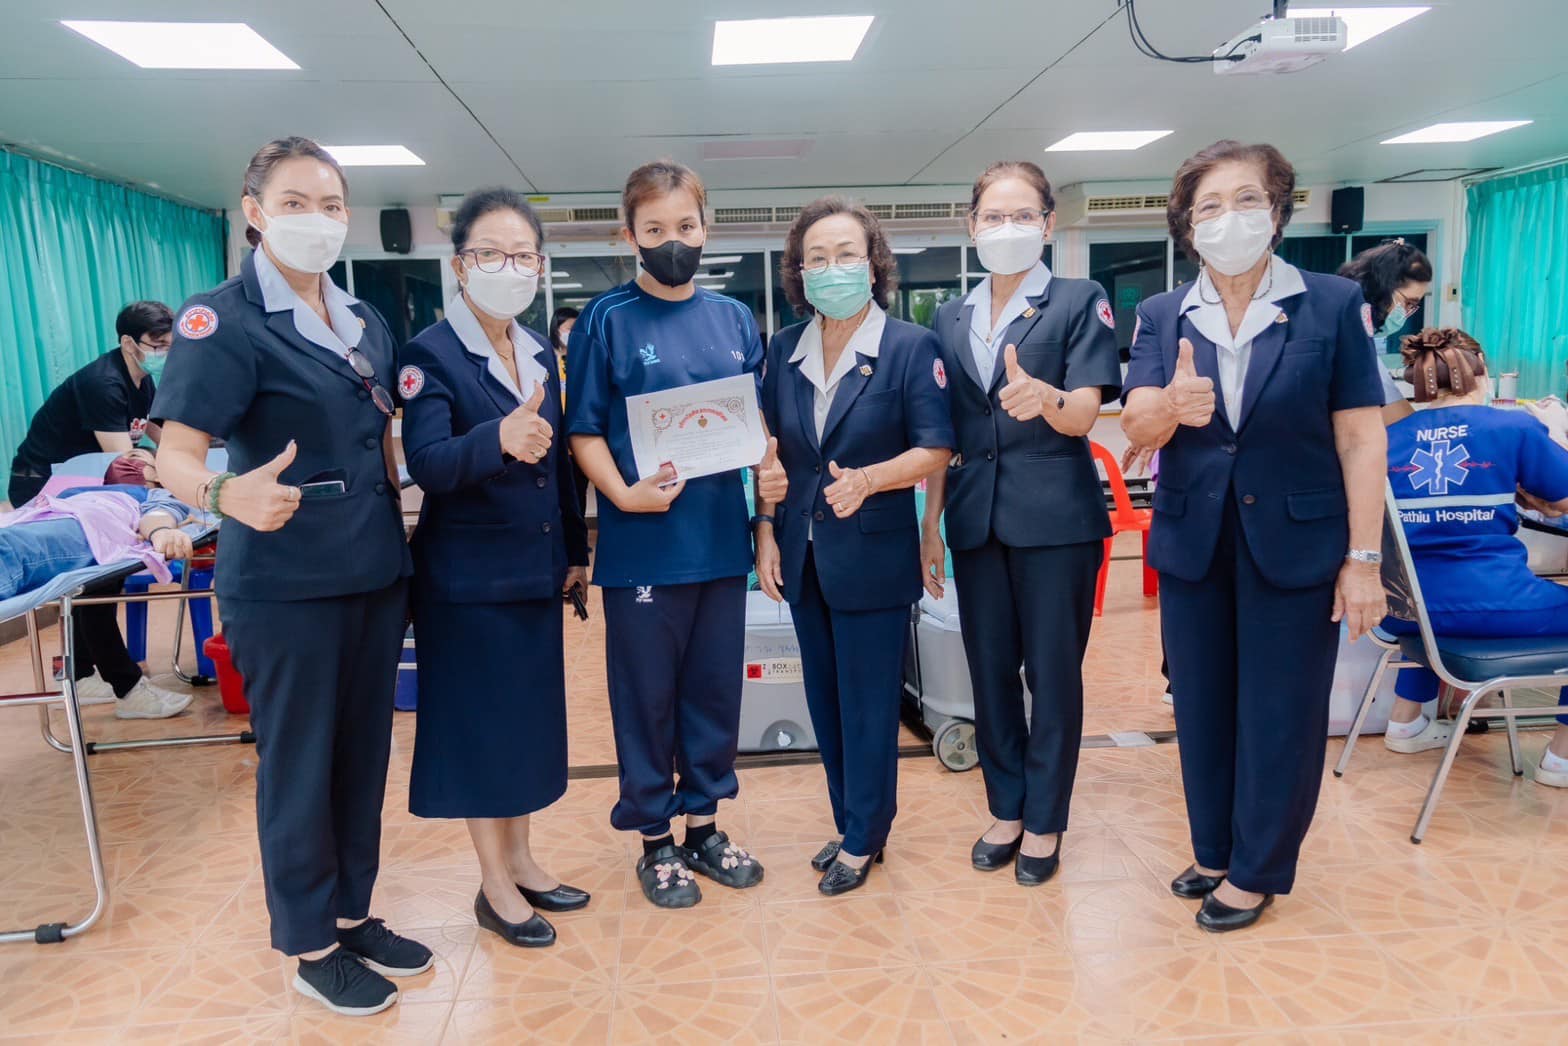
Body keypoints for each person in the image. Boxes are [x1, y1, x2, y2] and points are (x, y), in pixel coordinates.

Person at [153, 137, 429, 1016]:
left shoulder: (363, 318)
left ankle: (351, 914)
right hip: (284, 582)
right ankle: (310, 944)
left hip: (372, 570)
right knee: (301, 764)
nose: (319, 219)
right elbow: (174, 454)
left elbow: (378, 437)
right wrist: (222, 493)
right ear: (255, 212)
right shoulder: (223, 320)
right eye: (297, 203)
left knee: (362, 755)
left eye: (332, 205)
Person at [1121, 140, 1387, 932]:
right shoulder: (1163, 314)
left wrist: (1363, 559)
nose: (1227, 218)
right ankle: (1213, 850)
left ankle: (1258, 868)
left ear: (1276, 212)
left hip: (1297, 542)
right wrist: (1170, 407)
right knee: (1201, 703)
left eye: (1246, 200)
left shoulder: (1331, 304)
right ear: (1187, 225)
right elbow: (1137, 422)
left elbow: (1360, 437)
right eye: (1208, 206)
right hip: (1195, 540)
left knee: (1280, 710)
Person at [566, 159, 787, 909]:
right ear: (629, 234)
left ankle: (704, 828)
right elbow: (583, 430)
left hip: (720, 545)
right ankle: (655, 840)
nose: (673, 241)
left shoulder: (733, 320)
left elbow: (758, 434)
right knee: (647, 700)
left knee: (714, 695)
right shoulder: (606, 320)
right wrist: (622, 495)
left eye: (685, 226)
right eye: (655, 228)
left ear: (705, 227)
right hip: (642, 550)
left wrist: (765, 511)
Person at [399, 188, 592, 947]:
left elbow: (562, 464)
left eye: (522, 256)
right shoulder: (429, 355)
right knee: (481, 731)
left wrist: (574, 551)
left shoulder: (539, 349)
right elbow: (426, 463)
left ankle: (523, 860)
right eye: (490, 254)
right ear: (459, 265)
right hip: (466, 582)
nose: (507, 268)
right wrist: (498, 440)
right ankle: (493, 884)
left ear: (538, 267)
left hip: (533, 570)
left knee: (525, 725)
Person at [920, 161, 1122, 886]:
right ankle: (1005, 807)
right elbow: (942, 434)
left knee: (1053, 673)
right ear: (971, 225)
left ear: (1047, 223)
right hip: (976, 520)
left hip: (1056, 521)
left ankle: (1044, 820)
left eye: (1022, 215)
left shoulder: (1077, 300)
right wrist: (931, 524)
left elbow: (1087, 411)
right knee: (990, 671)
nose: (1007, 228)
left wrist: (1047, 399)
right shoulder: (950, 316)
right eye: (993, 216)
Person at [755, 197, 953, 895]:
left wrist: (870, 479)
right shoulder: (784, 350)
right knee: (828, 702)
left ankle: (866, 836)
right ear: (799, 272)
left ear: (873, 267)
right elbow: (772, 453)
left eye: (845, 254)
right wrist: (765, 531)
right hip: (804, 554)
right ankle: (850, 824)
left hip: (873, 555)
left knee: (869, 705)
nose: (831, 268)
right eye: (817, 258)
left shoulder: (908, 347)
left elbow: (937, 447)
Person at [1381, 328, 1568, 783]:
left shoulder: (1388, 437)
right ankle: (1562, 758)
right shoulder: (1512, 426)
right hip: (1491, 604)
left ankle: (1405, 721)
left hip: (1402, 611)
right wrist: (1534, 498)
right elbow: (1562, 498)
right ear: (1480, 371)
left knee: (1432, 580)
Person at [1, 453, 198, 719]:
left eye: (141, 456)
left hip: (74, 532)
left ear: (158, 474)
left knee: (16, 550)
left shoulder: (155, 495)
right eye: (129, 455)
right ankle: (95, 679)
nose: (127, 458)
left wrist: (160, 531)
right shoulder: (74, 491)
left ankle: (98, 680)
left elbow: (158, 517)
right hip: (37, 525)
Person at [8, 301, 172, 507]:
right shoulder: (103, 383)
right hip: (42, 482)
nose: (168, 353)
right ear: (129, 343)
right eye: (159, 345)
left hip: (87, 474)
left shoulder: (143, 377)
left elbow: (165, 436)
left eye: (172, 345)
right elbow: (127, 464)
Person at [1338, 240, 1434, 424]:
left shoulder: (1350, 333)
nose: (1406, 312)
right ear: (1382, 288)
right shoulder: (1353, 346)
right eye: (1408, 303)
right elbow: (1402, 423)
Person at [549, 305, 591, 518]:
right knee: (558, 494)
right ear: (556, 330)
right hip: (555, 439)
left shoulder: (582, 360)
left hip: (578, 437)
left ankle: (579, 532)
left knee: (579, 491)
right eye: (568, 329)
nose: (571, 335)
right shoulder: (546, 359)